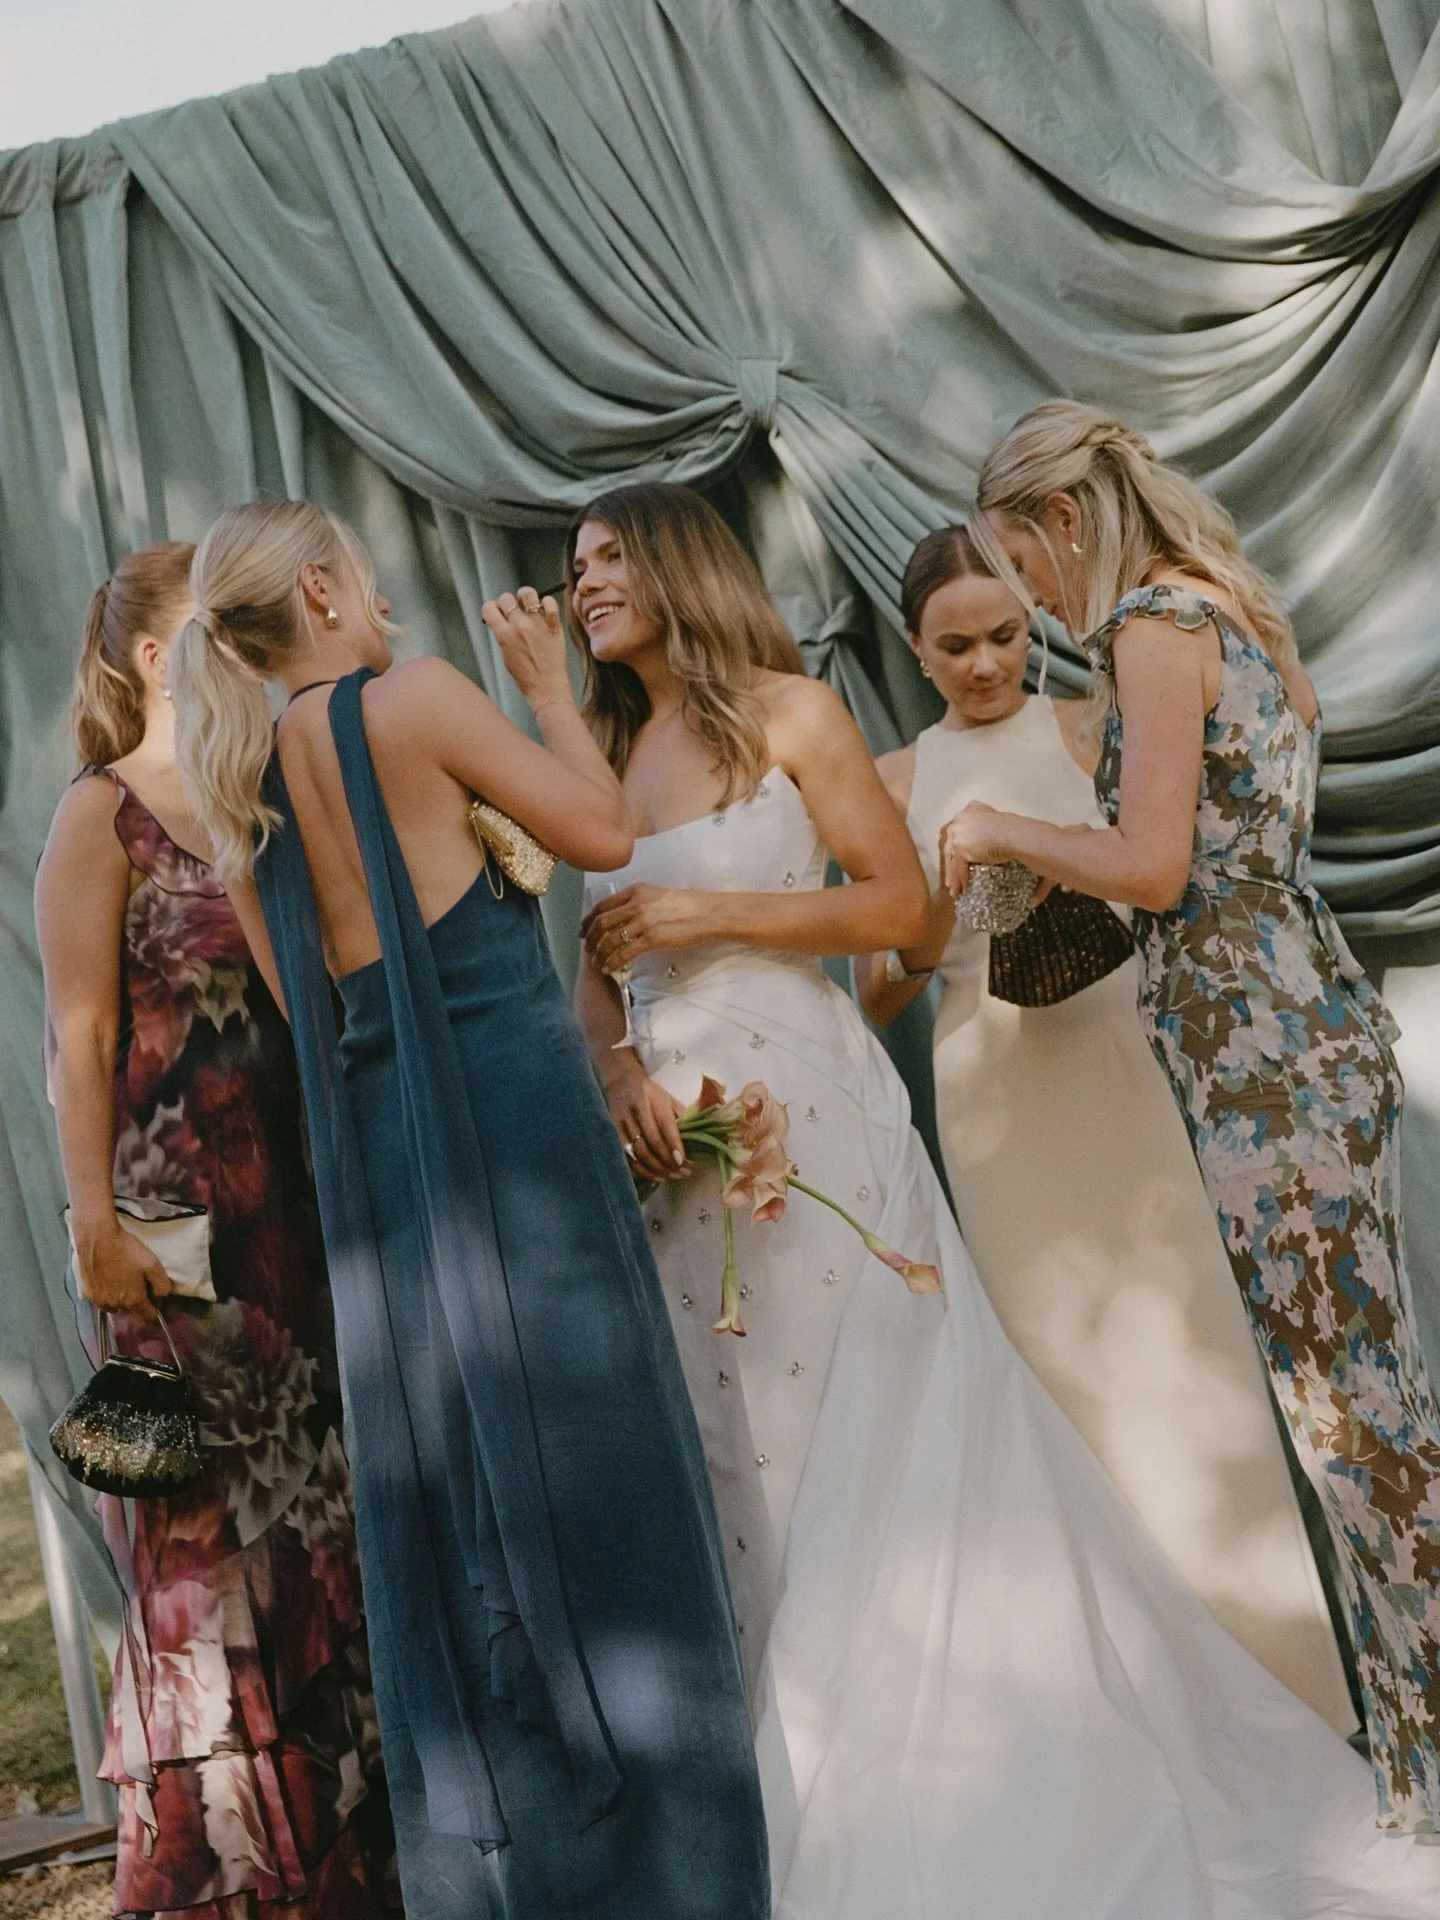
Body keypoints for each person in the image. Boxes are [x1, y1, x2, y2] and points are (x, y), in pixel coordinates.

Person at [563, 479, 1440, 1916]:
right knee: (753, 1463)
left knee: (1122, 1402)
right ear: (915, 649)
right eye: (576, 561)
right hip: (753, 1138)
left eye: (609, 557)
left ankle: (1281, 1688)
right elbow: (656, 964)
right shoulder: (598, 761)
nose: (585, 580)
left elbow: (1107, 864)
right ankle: (815, 1782)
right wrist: (617, 1076)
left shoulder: (872, 717)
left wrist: (755, 912)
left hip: (1059, 1086)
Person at [167, 499, 769, 1920]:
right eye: (365, 588)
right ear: (322, 591)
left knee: (463, 1492)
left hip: (382, 1172)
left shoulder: (237, 770)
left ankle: (534, 1872)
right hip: (513, 1129)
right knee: (593, 1463)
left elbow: (307, 1005)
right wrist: (553, 693)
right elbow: (606, 826)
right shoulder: (413, 702)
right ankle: (674, 1867)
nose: (383, 611)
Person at [945, 398, 1440, 1838]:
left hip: (1265, 1061)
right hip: (1306, 1032)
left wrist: (993, 832)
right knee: (1371, 1407)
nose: (1033, 600)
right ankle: (1416, 1760)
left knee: (1356, 1421)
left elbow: (1155, 864)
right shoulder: (1239, 618)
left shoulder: (1153, 630)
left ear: (1062, 521)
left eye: (1025, 567)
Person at [857, 523, 1354, 1731]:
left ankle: (1296, 1697)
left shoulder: (1090, 729)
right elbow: (880, 988)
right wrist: (938, 908)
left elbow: (1162, 863)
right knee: (1068, 1388)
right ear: (917, 652)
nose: (986, 664)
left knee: (1193, 1369)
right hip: (993, 1091)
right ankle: (1147, 1718)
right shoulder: (887, 778)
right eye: (957, 646)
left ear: (1035, 631)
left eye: (1008, 637)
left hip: (1125, 1063)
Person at [34, 543, 396, 1918]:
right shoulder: (99, 815)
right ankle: (225, 1880)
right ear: (147, 660)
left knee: (317, 1543)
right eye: (210, 631)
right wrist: (92, 1226)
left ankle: (346, 1872)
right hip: (168, 1253)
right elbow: (80, 1035)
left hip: (293, 1242)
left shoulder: (255, 796)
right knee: (203, 1570)